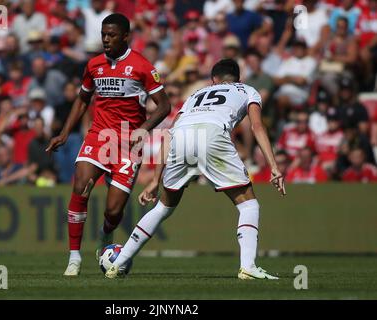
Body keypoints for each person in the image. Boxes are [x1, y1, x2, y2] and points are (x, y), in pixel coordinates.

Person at [105, 59, 285, 280]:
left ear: (213, 80)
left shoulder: (195, 96)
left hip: (181, 136)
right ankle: (248, 266)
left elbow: (169, 134)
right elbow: (257, 126)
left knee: (163, 208)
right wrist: (274, 166)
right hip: (212, 134)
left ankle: (119, 262)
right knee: (248, 204)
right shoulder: (247, 90)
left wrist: (155, 180)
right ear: (238, 79)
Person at [45, 13, 171, 277]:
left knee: (113, 211)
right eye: (103, 34)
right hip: (99, 136)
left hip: (127, 143)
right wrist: (65, 132)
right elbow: (82, 100)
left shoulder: (142, 66)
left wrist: (143, 129)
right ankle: (74, 257)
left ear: (125, 36)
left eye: (111, 35)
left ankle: (105, 236)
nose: (106, 39)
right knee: (81, 185)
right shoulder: (93, 65)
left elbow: (165, 106)